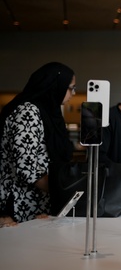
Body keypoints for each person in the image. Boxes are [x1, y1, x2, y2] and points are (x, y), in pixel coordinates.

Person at [0, 62, 76, 226]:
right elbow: (27, 169)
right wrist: (63, 193)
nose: (73, 93)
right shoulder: (28, 111)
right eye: (71, 87)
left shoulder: (49, 112)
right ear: (56, 85)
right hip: (22, 204)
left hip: (41, 202)